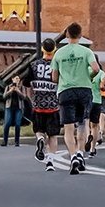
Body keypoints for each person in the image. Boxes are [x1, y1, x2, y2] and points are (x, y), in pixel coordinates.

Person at [53, 23, 99, 174]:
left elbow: (54, 77)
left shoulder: (59, 53)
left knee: (68, 127)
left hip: (65, 91)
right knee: (82, 123)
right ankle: (80, 153)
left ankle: (72, 157)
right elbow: (96, 69)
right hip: (84, 89)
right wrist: (89, 77)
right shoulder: (86, 51)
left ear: (66, 35)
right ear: (80, 35)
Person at [27, 40, 62, 168]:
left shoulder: (34, 65)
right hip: (53, 106)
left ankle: (40, 139)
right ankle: (50, 161)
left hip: (38, 105)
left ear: (42, 49)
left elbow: (26, 82)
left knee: (39, 130)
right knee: (53, 135)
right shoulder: (57, 66)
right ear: (55, 50)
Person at [0, 77, 26, 147]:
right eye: (15, 79)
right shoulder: (8, 87)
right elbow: (4, 96)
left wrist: (18, 91)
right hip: (9, 107)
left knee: (17, 124)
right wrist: (10, 91)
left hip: (18, 108)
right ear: (12, 79)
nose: (17, 80)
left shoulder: (22, 87)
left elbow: (24, 97)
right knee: (7, 123)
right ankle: (5, 141)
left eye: (18, 79)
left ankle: (17, 141)